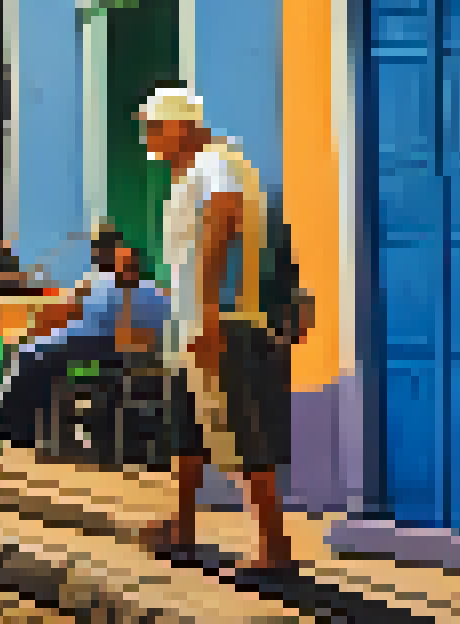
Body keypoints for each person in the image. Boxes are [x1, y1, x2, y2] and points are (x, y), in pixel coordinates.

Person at [136, 85, 296, 570]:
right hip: (193, 321)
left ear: (179, 127)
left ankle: (273, 547)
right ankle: (183, 525)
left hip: (219, 320)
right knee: (188, 429)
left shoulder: (213, 165)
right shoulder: (205, 168)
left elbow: (225, 218)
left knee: (242, 434)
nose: (148, 139)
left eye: (154, 128)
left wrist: (206, 309)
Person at [0, 242, 175, 451]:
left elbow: (73, 315)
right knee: (34, 357)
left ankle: (11, 426)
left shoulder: (132, 289)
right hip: (92, 344)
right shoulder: (120, 286)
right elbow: (66, 309)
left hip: (96, 345)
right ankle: (15, 425)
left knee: (33, 357)